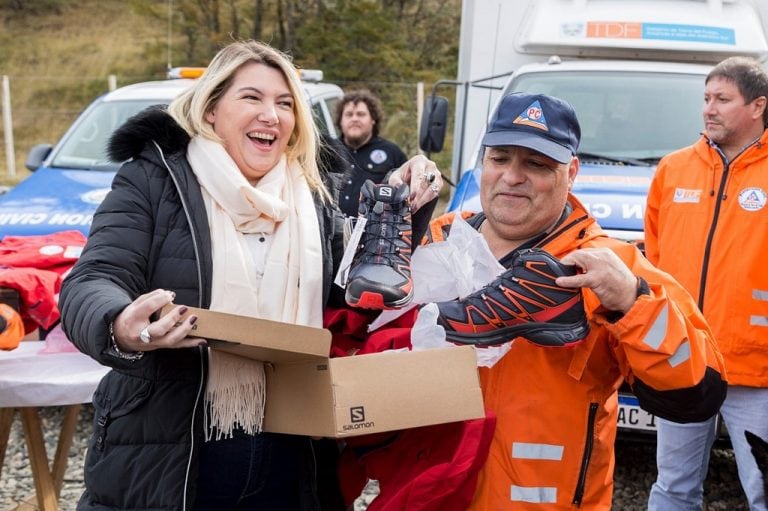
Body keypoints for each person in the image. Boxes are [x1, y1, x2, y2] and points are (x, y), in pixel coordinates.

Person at [58, 40, 441, 511]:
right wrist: (120, 324)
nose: (271, 115)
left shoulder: (314, 194)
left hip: (292, 452)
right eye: (252, 98)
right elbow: (92, 278)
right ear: (211, 109)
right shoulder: (155, 181)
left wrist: (402, 209)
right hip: (168, 451)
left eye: (284, 103)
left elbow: (351, 289)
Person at [419, 92, 727, 509]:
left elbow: (699, 393)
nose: (512, 176)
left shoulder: (610, 264)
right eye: (500, 158)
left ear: (572, 172)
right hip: (430, 493)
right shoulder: (440, 236)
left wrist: (632, 304)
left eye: (536, 164)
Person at [645, 56, 768, 511]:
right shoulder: (674, 169)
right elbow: (653, 260)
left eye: (722, 99)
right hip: (683, 356)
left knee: (762, 490)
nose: (708, 109)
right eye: (706, 98)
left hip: (756, 366)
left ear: (757, 106)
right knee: (673, 485)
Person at [333, 89, 408, 217]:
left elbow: (406, 198)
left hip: (373, 234)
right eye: (349, 114)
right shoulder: (327, 151)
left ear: (373, 119)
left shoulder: (392, 153)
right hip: (328, 235)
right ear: (340, 120)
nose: (354, 118)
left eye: (361, 114)